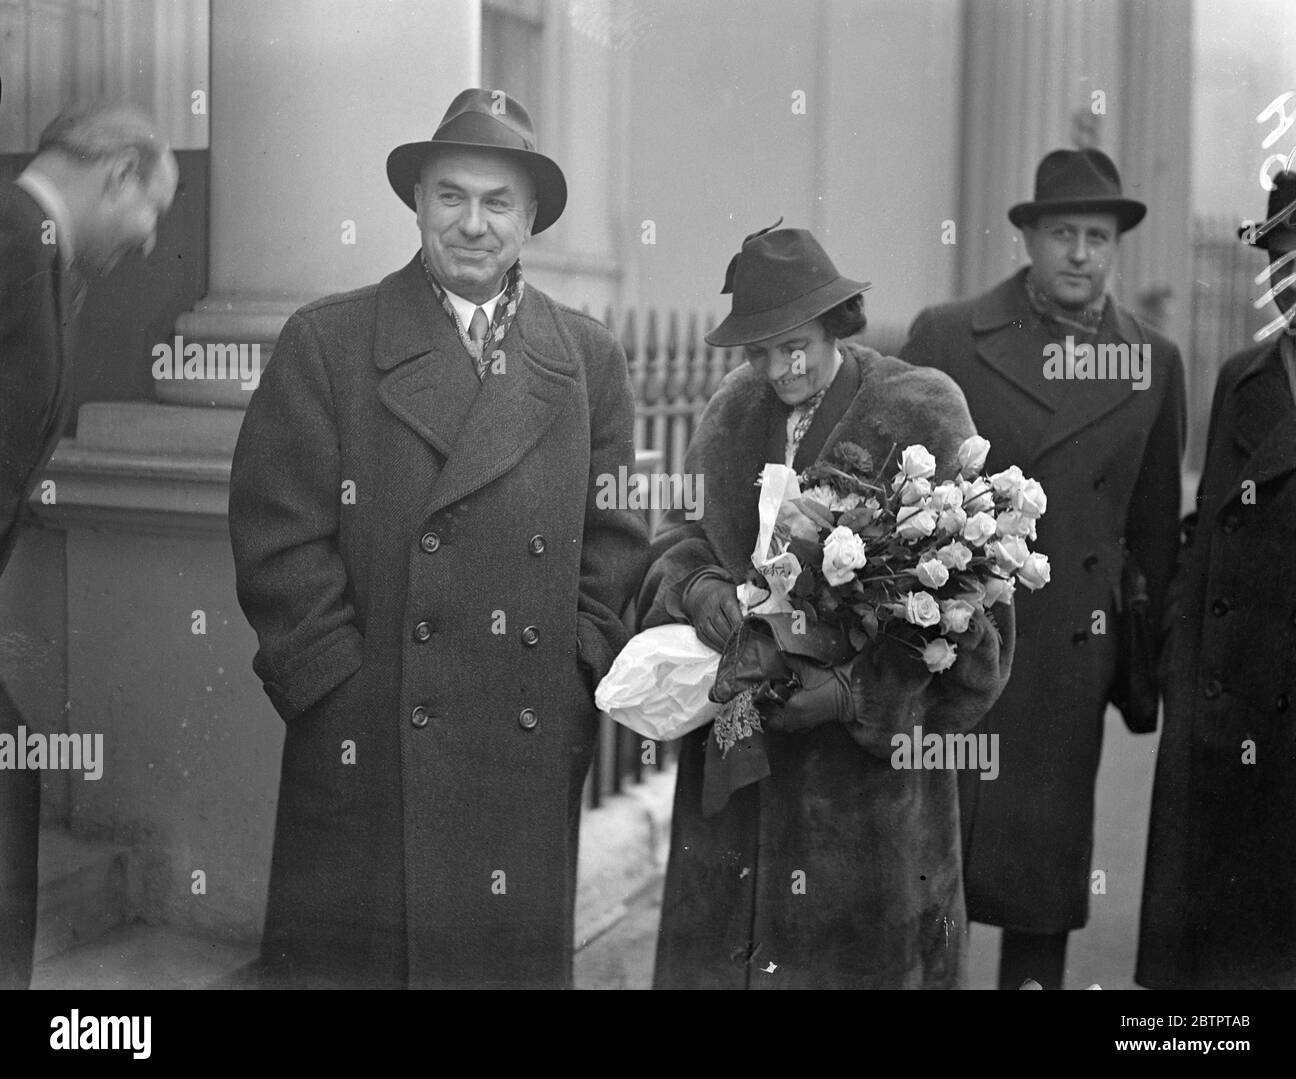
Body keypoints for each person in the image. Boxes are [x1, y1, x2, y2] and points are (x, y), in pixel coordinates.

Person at [228, 88, 647, 989]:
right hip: (371, 746)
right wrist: (337, 693)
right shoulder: (328, 343)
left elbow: (615, 542)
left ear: (530, 218)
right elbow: (278, 542)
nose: (473, 223)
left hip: (520, 749)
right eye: (451, 196)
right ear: (417, 204)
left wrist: (573, 678)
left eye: (498, 203)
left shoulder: (587, 359)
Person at [638, 224, 1013, 989]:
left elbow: (981, 637)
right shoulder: (731, 414)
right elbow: (676, 538)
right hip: (736, 802)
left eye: (797, 344)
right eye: (760, 350)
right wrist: (699, 586)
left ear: (839, 323)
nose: (780, 368)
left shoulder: (920, 412)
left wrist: (853, 694)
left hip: (870, 824)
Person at [899, 148, 1186, 989]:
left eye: (1098, 235)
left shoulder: (1152, 362)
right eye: (1064, 232)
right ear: (1028, 238)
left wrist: (1142, 661)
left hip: (1071, 656)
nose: (1082, 253)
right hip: (952, 647)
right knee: (928, 872)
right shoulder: (950, 333)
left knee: (1041, 888)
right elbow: (895, 479)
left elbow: (1155, 530)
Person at [0, 102, 178, 990]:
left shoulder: (33, 251)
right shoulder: (7, 238)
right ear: (117, 176)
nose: (151, 242)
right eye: (154, 210)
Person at [1136, 173, 1296, 989]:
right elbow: (1206, 531)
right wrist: (1180, 655)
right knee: (1218, 976)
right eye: (1281, 260)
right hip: (1224, 703)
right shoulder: (1246, 378)